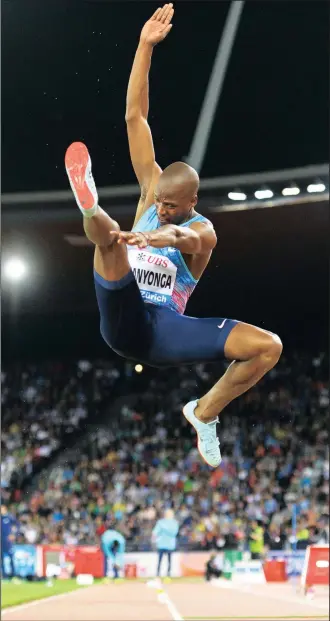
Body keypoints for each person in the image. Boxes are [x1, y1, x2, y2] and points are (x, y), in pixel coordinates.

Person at [65, 3, 282, 469]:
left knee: (268, 347)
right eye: (158, 200)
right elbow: (134, 118)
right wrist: (144, 47)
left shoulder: (203, 229)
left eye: (168, 205)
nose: (159, 206)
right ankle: (88, 202)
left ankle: (204, 413)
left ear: (190, 201)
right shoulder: (153, 191)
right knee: (108, 240)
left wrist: (159, 236)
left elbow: (188, 241)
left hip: (163, 329)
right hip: (123, 313)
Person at [152, 509, 179, 579]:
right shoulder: (161, 522)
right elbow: (155, 532)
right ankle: (158, 574)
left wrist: (164, 529)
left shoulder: (174, 523)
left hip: (169, 544)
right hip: (162, 544)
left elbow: (175, 532)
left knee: (168, 560)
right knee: (160, 560)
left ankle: (168, 574)